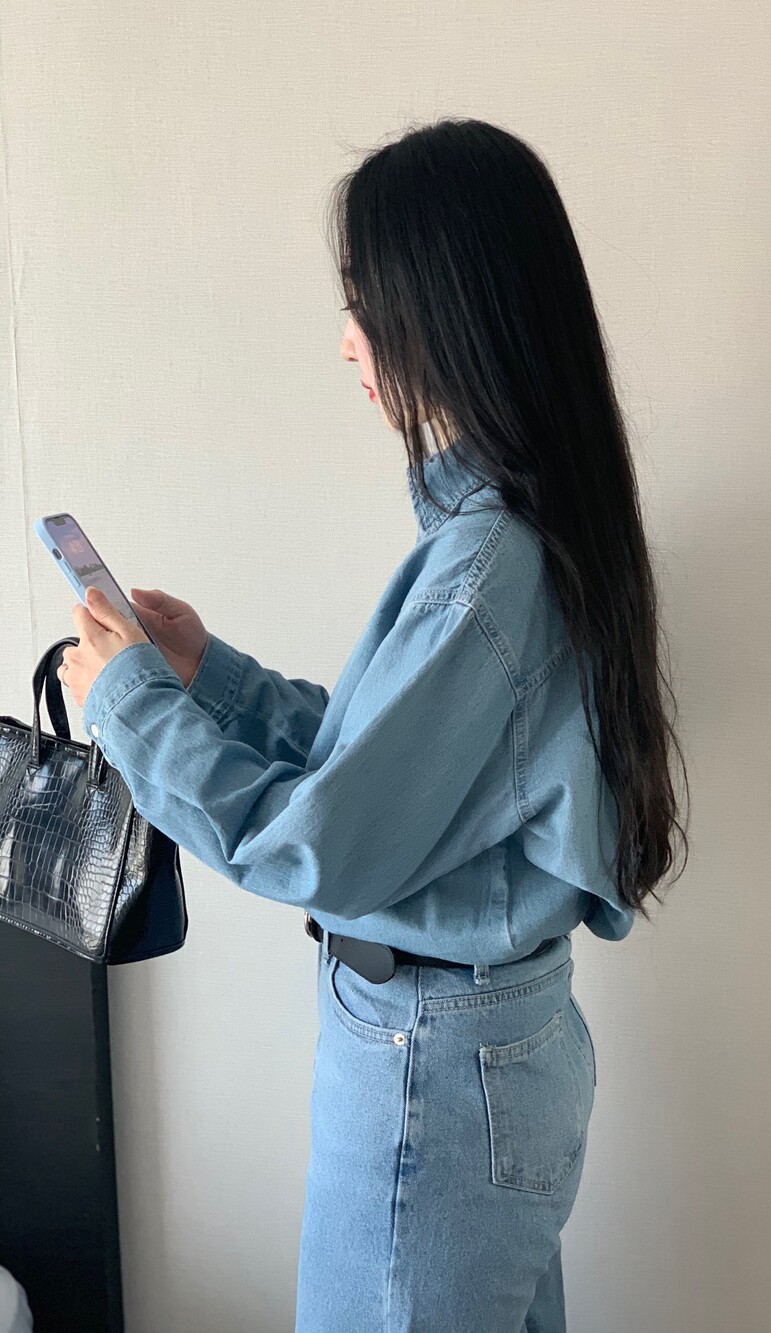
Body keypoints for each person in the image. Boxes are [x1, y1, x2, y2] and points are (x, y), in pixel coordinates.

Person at [70, 117, 688, 1332]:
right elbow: (395, 770)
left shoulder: (482, 569)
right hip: (475, 1047)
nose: (347, 338)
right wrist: (207, 676)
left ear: (445, 311)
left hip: (433, 1066)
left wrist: (129, 704)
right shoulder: (515, 532)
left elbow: (324, 847)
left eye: (364, 301)